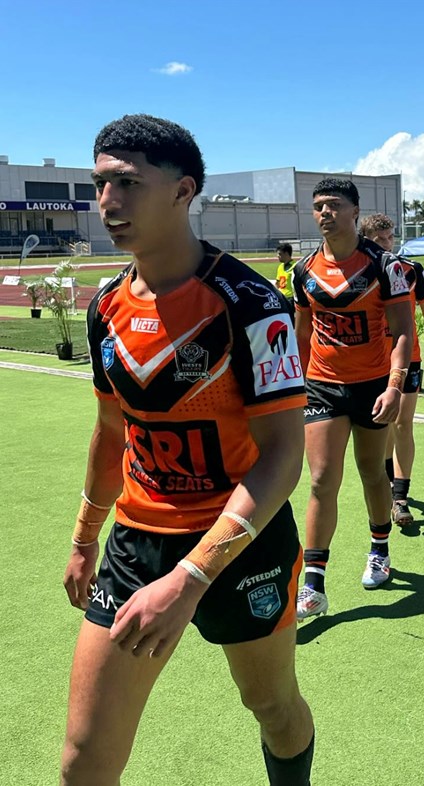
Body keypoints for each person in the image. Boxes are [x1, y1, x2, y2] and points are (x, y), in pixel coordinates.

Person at [61, 114, 314, 785]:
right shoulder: (105, 308)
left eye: (126, 184)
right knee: (83, 762)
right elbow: (112, 431)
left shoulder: (252, 306)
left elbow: (285, 457)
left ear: (183, 191)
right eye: (99, 186)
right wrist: (87, 536)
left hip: (242, 544)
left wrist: (193, 578)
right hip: (137, 542)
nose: (107, 203)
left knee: (272, 706)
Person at [293, 180, 414, 619]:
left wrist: (395, 385)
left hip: (373, 385)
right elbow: (302, 333)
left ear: (355, 211)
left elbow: (403, 330)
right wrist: (294, 388)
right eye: (318, 206)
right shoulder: (303, 270)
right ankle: (314, 584)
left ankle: (379, 548)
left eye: (334, 205)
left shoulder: (386, 266)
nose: (325, 213)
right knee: (322, 479)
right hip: (321, 386)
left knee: (371, 473)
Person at [359, 213, 424, 526]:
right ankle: (387, 483)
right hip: (373, 364)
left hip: (408, 360)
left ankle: (400, 498)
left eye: (390, 238)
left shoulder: (413, 271)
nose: (387, 245)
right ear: (365, 240)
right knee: (382, 426)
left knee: (402, 425)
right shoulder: (357, 274)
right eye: (379, 240)